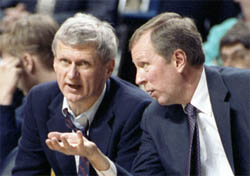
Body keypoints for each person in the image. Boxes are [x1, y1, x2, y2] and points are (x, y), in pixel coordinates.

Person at [47, 12, 250, 176]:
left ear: (178, 60)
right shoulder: (155, 117)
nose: (138, 79)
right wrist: (96, 157)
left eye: (144, 65)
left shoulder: (244, 89)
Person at [12, 13, 152, 175]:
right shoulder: (40, 99)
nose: (71, 75)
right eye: (65, 61)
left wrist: (96, 158)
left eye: (83, 64)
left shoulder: (135, 109)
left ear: (108, 68)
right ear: (54, 63)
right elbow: (27, 172)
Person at [0, 14, 58, 169]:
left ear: (26, 62)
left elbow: (6, 161)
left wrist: (4, 96)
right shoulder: (32, 101)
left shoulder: (49, 103)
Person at [203, 0, 250, 66]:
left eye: (241, 56)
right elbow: (200, 60)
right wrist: (220, 70)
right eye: (224, 58)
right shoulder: (223, 29)